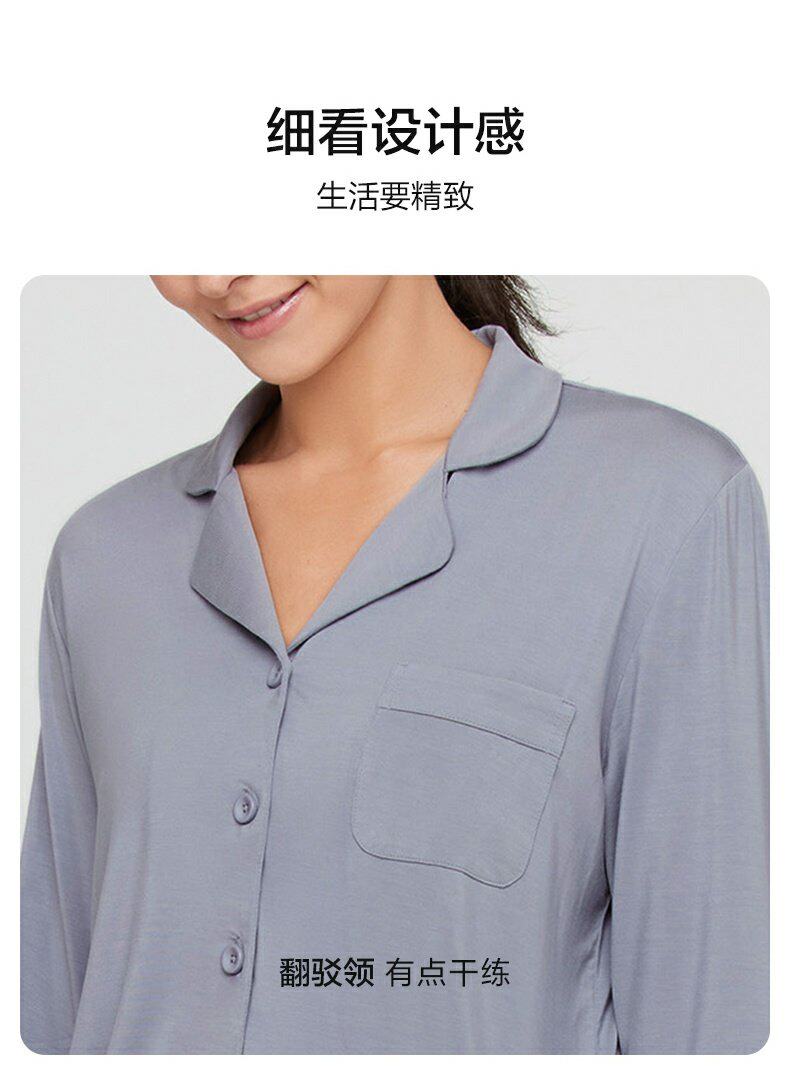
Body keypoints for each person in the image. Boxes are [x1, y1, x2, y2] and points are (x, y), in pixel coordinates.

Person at [21, 276, 769, 1054]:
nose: (214, 276)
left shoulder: (660, 505)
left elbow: (707, 1017)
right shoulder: (105, 556)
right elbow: (57, 995)